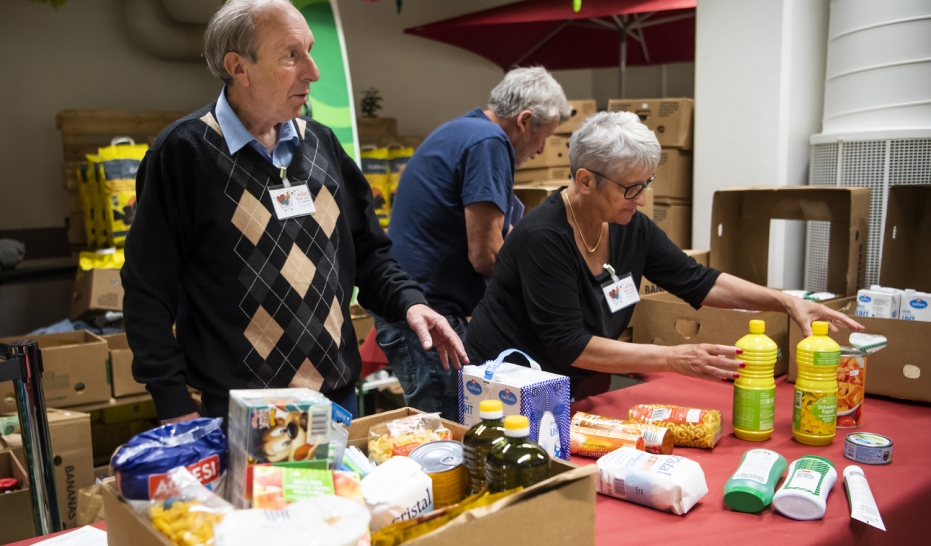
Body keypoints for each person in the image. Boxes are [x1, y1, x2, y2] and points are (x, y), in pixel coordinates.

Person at [122, 0, 467, 424]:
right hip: (243, 415)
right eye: (291, 55)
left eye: (310, 50)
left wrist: (410, 303)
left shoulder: (323, 144)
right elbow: (147, 291)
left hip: (337, 402)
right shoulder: (184, 153)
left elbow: (369, 253)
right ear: (239, 67)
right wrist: (172, 403)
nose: (313, 71)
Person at [464, 111, 864, 397]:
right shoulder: (545, 237)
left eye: (647, 184)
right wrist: (675, 357)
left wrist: (785, 302)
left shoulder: (628, 225)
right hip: (508, 386)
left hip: (575, 382)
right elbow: (569, 343)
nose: (641, 199)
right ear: (585, 180)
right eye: (630, 188)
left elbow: (696, 280)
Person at [374, 67, 571, 421]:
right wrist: (542, 286)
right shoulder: (490, 143)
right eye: (545, 137)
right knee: (446, 428)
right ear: (525, 120)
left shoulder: (466, 129)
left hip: (417, 303)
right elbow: (487, 254)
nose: (542, 149)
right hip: (429, 314)